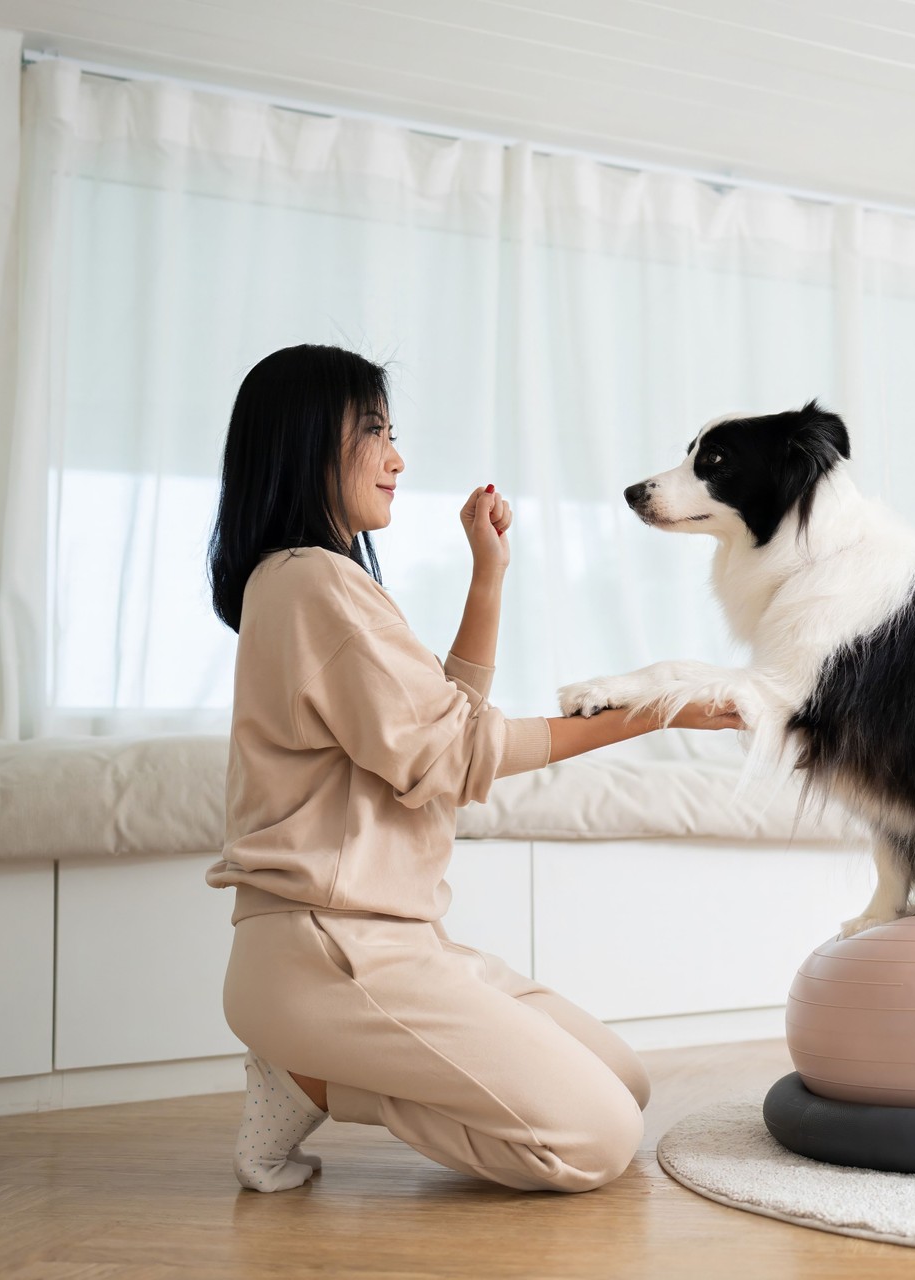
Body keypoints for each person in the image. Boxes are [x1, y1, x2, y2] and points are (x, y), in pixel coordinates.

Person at [204, 344, 739, 1194]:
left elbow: (437, 734)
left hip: (399, 942)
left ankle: (309, 1070)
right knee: (594, 1141)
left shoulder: (321, 584)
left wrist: (488, 577)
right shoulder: (310, 584)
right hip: (328, 951)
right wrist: (655, 708)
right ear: (309, 443)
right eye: (373, 432)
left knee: (624, 1088)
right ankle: (309, 1078)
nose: (396, 458)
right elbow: (456, 755)